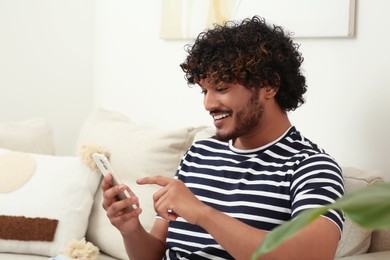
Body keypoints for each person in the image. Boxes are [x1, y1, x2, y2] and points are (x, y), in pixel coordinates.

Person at [101, 16, 344, 260]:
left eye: (222, 88)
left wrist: (202, 214)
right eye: (205, 90)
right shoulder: (198, 155)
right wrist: (130, 229)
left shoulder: (311, 167)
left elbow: (314, 255)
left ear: (269, 86)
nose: (208, 104)